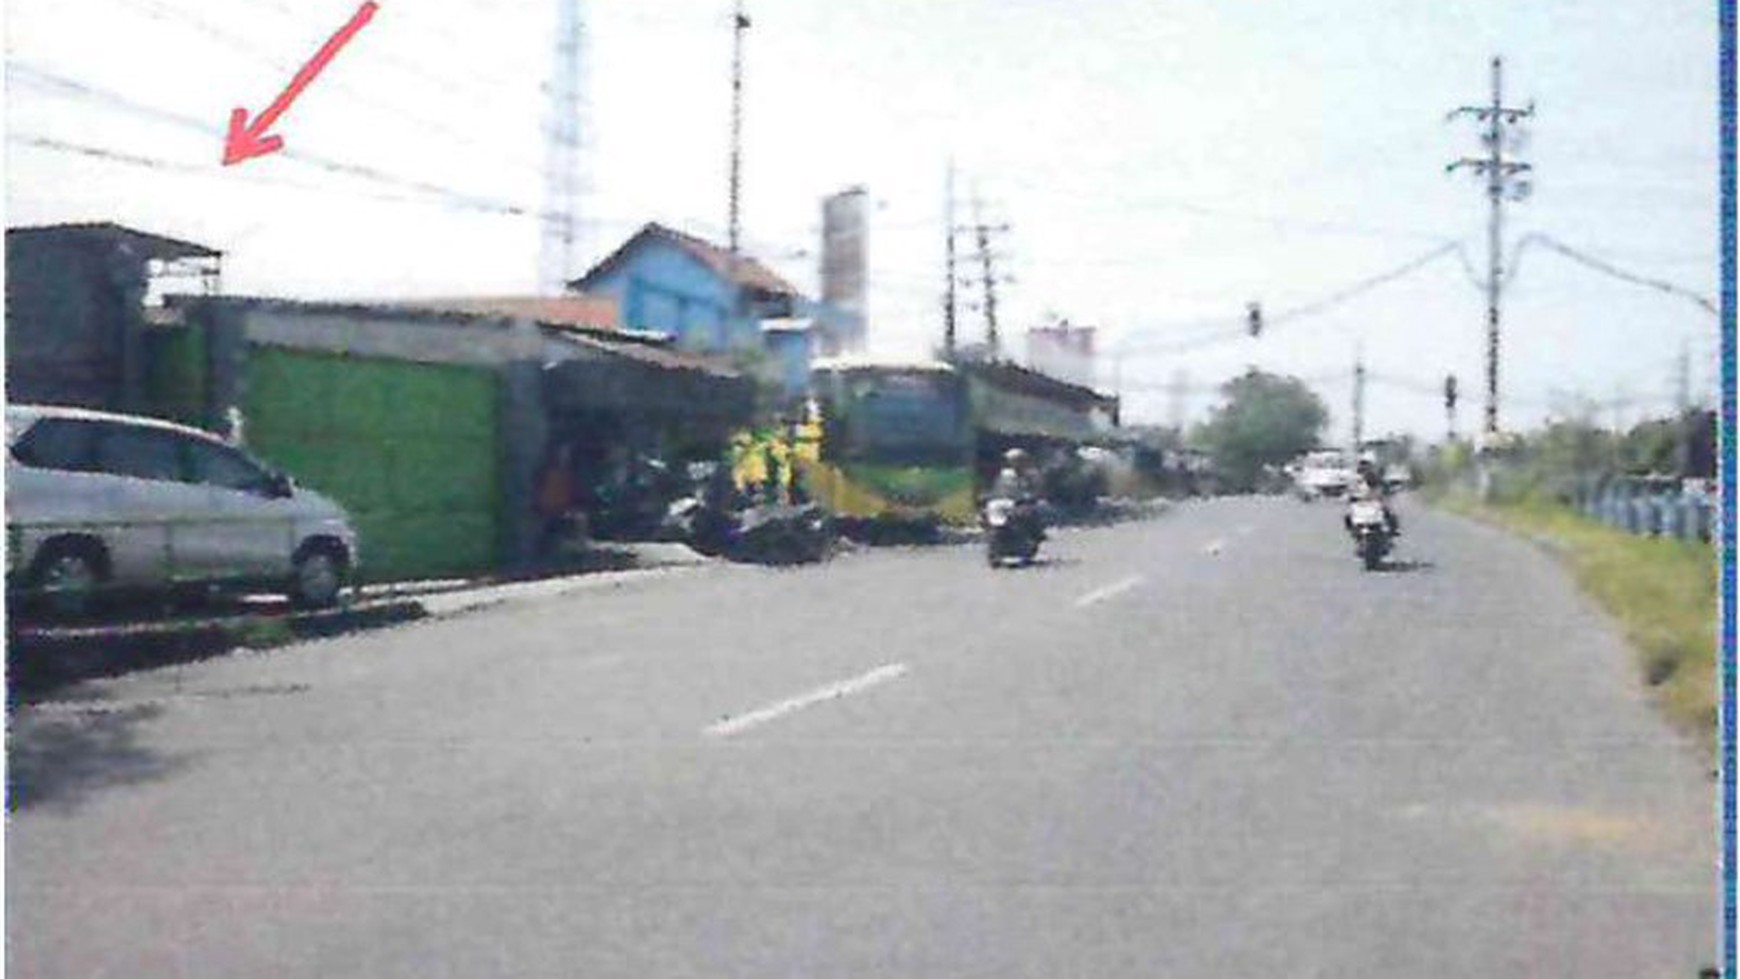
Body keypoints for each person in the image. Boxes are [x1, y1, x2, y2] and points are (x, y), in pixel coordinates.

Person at [1347, 452, 1400, 535]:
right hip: (1361, 503)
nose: (1364, 466)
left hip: (1375, 501)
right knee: (1348, 514)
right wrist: (1350, 497)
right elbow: (1351, 490)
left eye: (1366, 464)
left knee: (1388, 510)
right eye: (1362, 464)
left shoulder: (1376, 477)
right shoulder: (1355, 478)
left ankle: (1393, 529)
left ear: (1371, 465)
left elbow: (1384, 487)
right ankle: (1353, 530)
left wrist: (1385, 492)